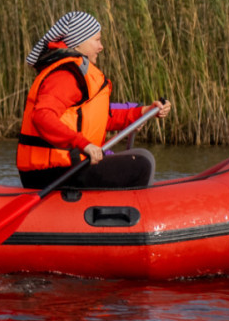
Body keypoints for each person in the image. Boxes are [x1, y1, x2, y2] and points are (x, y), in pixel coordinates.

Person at [17, 10, 172, 189]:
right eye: (97, 40)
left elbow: (99, 119)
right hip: (51, 173)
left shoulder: (78, 73)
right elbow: (42, 116)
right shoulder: (65, 75)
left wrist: (143, 112)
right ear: (79, 42)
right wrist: (84, 145)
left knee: (143, 158)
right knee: (141, 166)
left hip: (67, 167)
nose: (101, 47)